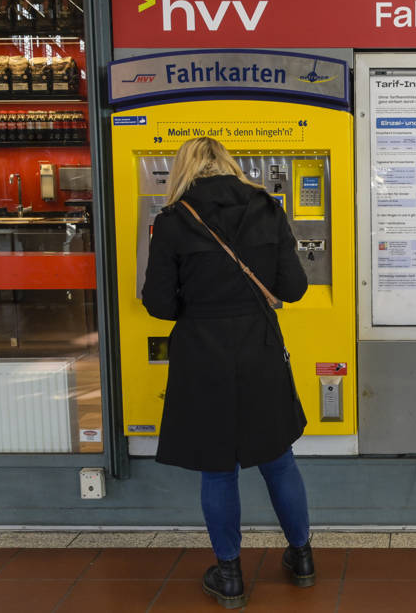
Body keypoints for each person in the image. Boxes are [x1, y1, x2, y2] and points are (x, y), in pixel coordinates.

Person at [142, 136, 314, 608]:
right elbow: (294, 288)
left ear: (184, 170)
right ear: (229, 165)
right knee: (278, 459)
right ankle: (302, 558)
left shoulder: (173, 222)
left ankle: (230, 576)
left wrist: (196, 305)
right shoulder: (266, 208)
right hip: (259, 346)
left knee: (219, 469)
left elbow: (158, 303)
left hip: (203, 353)